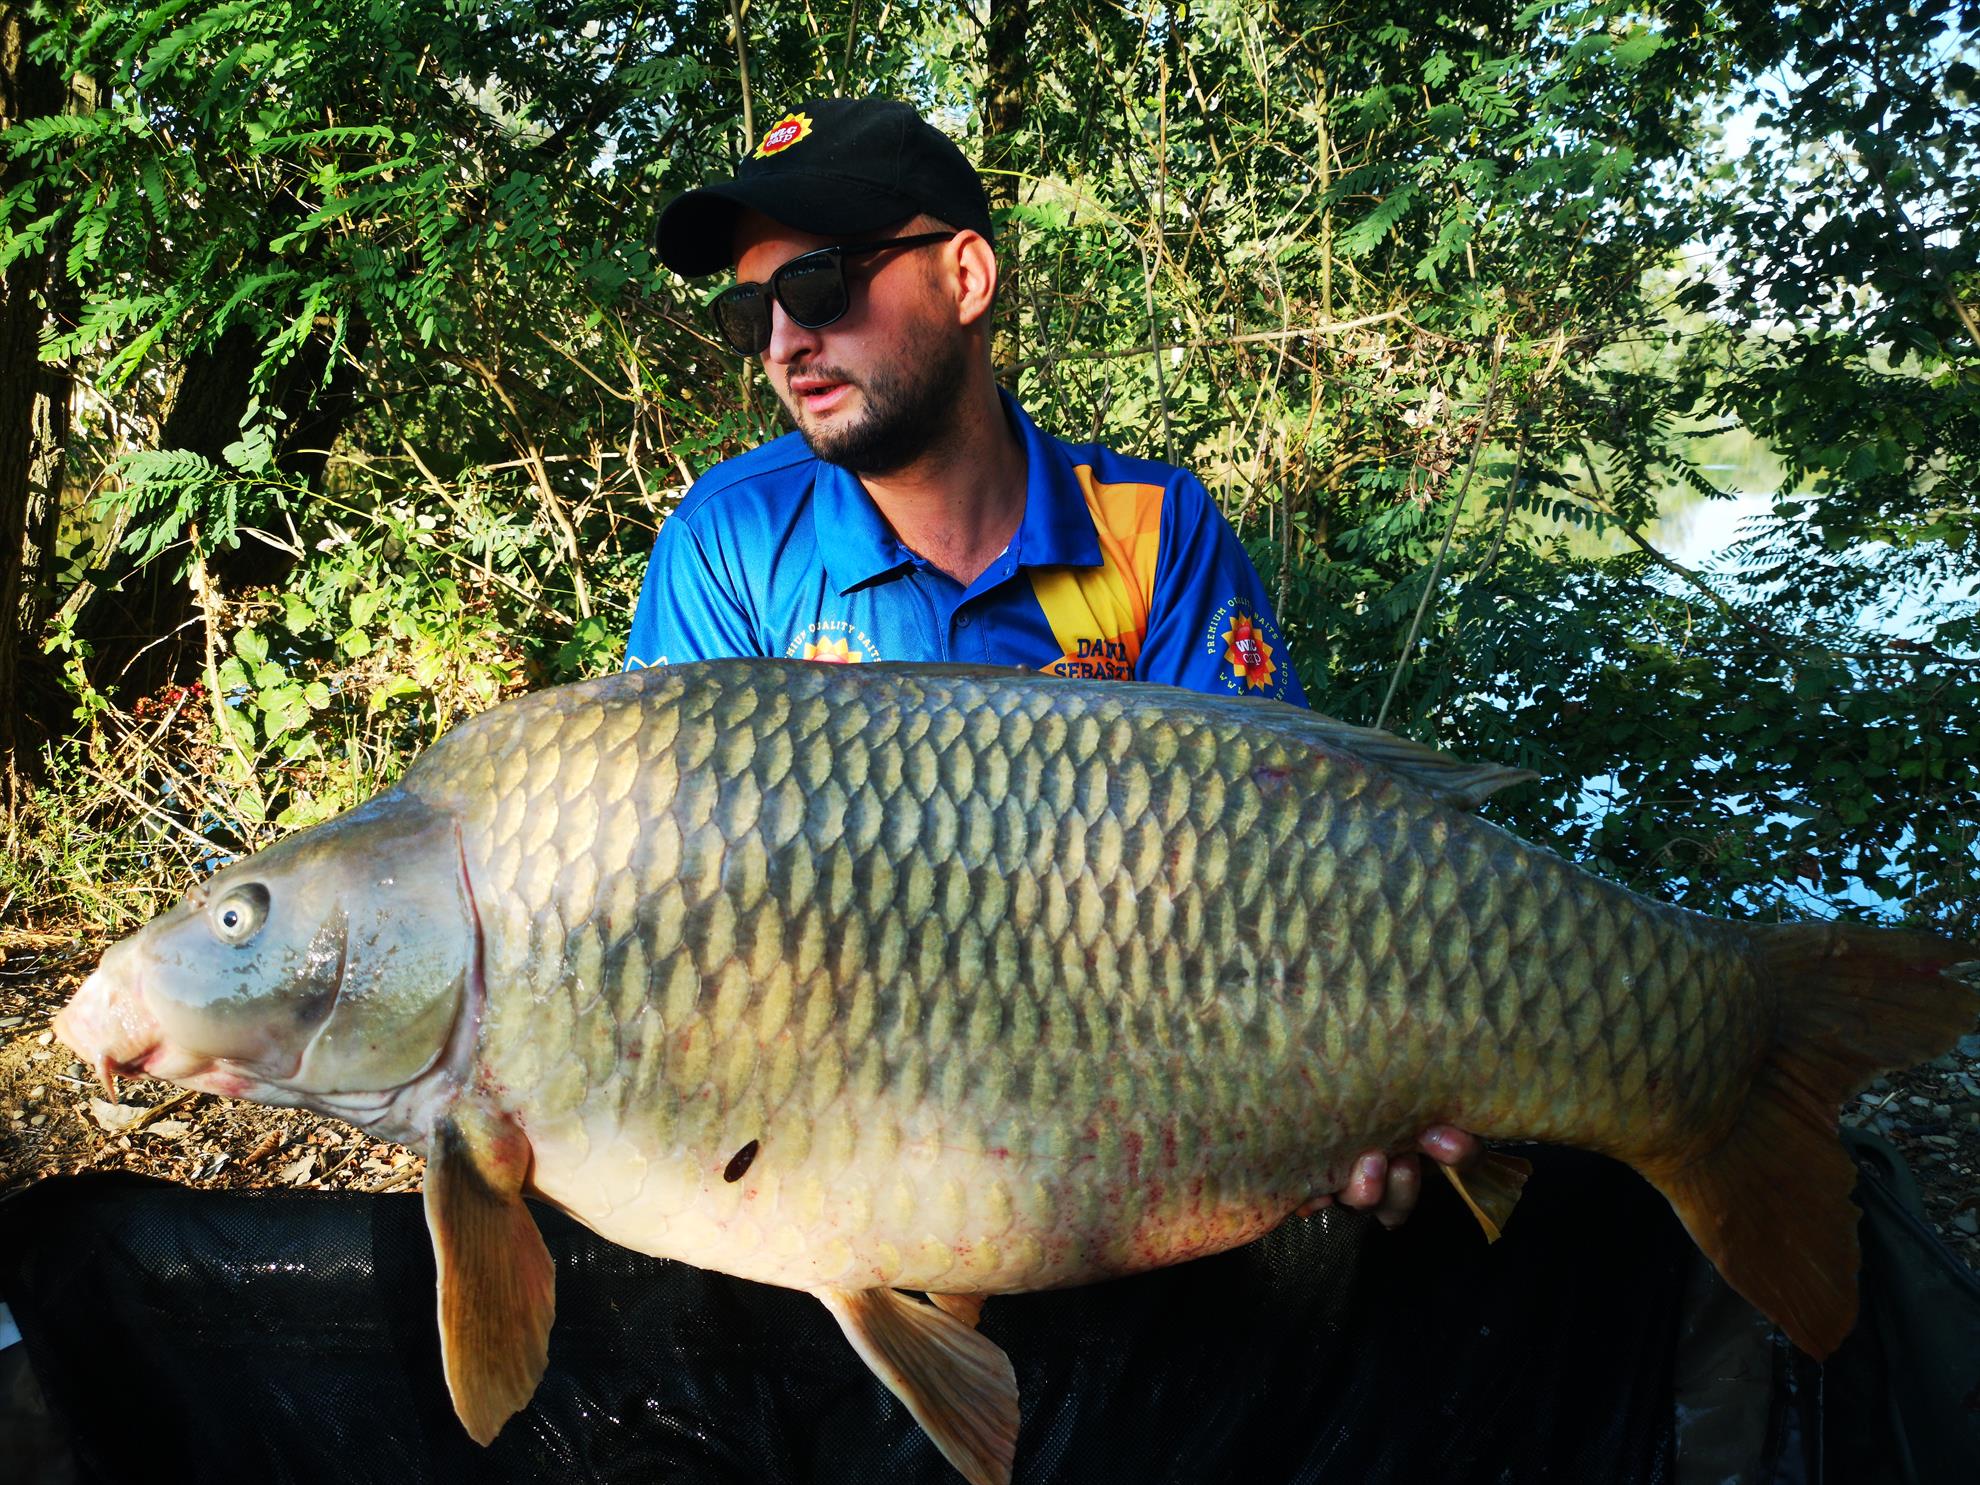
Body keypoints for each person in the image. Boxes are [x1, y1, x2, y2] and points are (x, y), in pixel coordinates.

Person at [633, 96, 1481, 1226]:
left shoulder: (1149, 532)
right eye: (752, 313)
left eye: (818, 288)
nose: (785, 342)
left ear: (967, 276)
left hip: (1147, 1128)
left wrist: (1356, 1083)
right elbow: (689, 927)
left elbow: (1275, 880)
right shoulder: (732, 547)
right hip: (840, 1147)